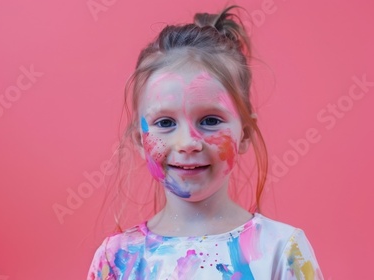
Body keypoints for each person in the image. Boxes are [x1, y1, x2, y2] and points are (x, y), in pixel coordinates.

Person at [87, 5, 323, 279]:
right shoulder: (115, 260)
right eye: (165, 123)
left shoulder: (282, 251)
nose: (188, 143)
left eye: (210, 120)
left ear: (244, 134)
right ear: (141, 140)